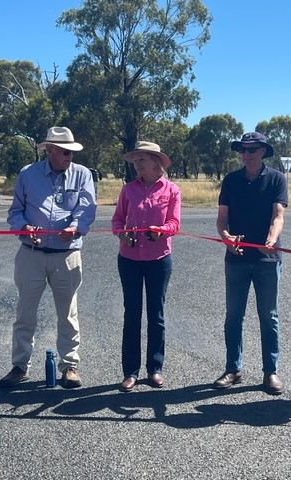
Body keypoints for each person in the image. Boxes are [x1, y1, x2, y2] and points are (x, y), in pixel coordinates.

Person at [0, 126, 97, 389]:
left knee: (68, 313)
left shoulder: (82, 174)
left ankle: (69, 366)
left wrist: (75, 227)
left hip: (67, 255)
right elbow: (15, 211)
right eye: (65, 152)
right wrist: (23, 227)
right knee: (25, 312)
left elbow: (86, 209)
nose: (70, 157)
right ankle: (20, 366)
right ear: (50, 151)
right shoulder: (27, 174)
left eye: (72, 152)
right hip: (31, 254)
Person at [213, 132, 288, 395]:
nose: (246, 154)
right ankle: (233, 368)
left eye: (252, 150)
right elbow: (222, 219)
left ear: (263, 152)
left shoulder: (277, 178)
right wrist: (226, 237)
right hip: (237, 258)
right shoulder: (231, 180)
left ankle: (271, 372)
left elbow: (278, 215)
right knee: (233, 316)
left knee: (269, 316)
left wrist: (271, 238)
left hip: (268, 259)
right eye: (242, 150)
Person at [111, 141, 180, 393]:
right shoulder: (128, 190)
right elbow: (117, 220)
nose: (137, 164)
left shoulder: (171, 190)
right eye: (135, 160)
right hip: (128, 258)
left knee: (156, 315)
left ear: (156, 162)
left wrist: (160, 231)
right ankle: (130, 372)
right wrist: (121, 234)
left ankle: (155, 368)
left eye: (142, 160)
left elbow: (174, 222)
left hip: (159, 259)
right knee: (132, 314)